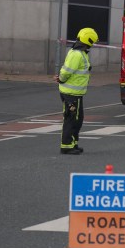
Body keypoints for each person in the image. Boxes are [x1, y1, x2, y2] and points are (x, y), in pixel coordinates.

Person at [54, 27, 98, 155]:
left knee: (77, 119)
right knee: (71, 119)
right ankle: (66, 146)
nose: (93, 45)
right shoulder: (77, 54)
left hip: (76, 94)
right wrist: (61, 79)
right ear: (88, 40)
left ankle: (73, 143)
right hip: (71, 94)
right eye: (92, 42)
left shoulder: (81, 53)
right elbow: (66, 71)